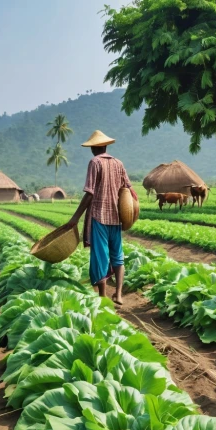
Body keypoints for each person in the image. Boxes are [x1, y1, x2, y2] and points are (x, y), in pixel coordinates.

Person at [66, 130, 137, 305]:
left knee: (100, 256)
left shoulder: (95, 162)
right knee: (118, 256)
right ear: (105, 146)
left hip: (99, 215)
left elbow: (89, 193)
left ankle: (103, 296)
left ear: (93, 148)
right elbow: (129, 189)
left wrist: (75, 217)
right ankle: (119, 294)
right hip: (116, 217)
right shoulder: (118, 163)